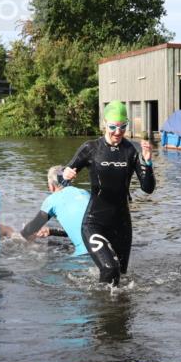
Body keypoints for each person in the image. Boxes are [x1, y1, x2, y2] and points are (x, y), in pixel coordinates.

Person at [63, 100, 155, 286]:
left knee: (121, 277)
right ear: (104, 124)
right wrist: (65, 175)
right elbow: (62, 178)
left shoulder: (131, 150)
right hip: (95, 222)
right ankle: (101, 312)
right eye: (113, 127)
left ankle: (116, 311)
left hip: (121, 224)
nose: (118, 132)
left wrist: (148, 164)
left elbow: (147, 188)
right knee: (109, 269)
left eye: (123, 127)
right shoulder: (91, 148)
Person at [20, 165, 90, 257]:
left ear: (51, 186)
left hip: (86, 254)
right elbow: (84, 229)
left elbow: (32, 228)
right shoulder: (85, 193)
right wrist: (52, 231)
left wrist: (20, 235)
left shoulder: (52, 200)